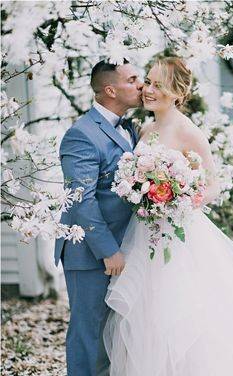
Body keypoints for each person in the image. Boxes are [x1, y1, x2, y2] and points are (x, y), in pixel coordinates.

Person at [102, 57, 233, 375]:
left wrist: (180, 197)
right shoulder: (146, 130)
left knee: (182, 311)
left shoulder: (188, 132)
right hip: (145, 232)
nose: (149, 90)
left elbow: (213, 184)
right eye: (149, 82)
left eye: (158, 85)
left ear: (176, 93)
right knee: (147, 313)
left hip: (178, 234)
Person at [55, 60, 143, 375]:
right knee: (88, 334)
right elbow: (81, 199)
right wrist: (108, 250)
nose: (140, 84)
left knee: (114, 336)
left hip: (127, 247)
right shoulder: (81, 135)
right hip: (91, 253)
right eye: (132, 79)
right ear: (110, 89)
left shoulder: (131, 127)